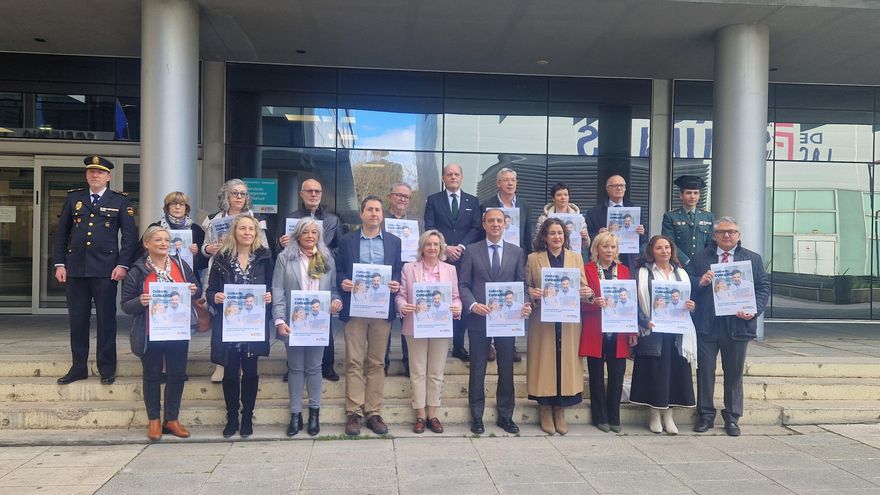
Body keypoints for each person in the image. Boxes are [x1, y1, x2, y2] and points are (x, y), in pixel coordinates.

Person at [53, 155, 138, 385]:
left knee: (106, 320)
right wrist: (59, 264)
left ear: (108, 176)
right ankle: (78, 366)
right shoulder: (74, 199)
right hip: (76, 270)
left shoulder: (120, 201)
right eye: (91, 171)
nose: (94, 175)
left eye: (99, 172)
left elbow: (130, 239)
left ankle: (107, 368)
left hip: (106, 270)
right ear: (86, 175)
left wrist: (122, 265)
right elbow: (61, 234)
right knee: (78, 319)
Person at [688, 216, 770, 437]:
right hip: (708, 324)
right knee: (704, 372)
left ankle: (732, 417)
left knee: (733, 373)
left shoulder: (752, 259)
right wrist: (700, 282)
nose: (727, 235)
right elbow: (687, 282)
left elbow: (763, 288)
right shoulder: (701, 257)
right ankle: (705, 415)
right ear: (714, 236)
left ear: (738, 235)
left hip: (738, 324)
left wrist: (754, 310)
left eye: (731, 232)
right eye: (722, 232)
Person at [121, 225, 200, 441]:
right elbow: (126, 305)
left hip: (177, 330)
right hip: (150, 331)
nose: (163, 243)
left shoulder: (180, 265)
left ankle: (172, 419)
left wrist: (193, 290)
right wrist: (140, 301)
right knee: (152, 376)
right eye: (158, 240)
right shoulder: (137, 270)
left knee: (176, 375)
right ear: (147, 244)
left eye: (166, 239)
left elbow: (196, 288)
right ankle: (154, 420)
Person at [459, 208, 530, 435]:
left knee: (506, 368)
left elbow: (523, 286)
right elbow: (463, 285)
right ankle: (477, 416)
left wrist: (526, 303)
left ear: (505, 224)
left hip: (507, 321)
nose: (496, 224)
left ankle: (506, 416)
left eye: (499, 220)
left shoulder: (517, 252)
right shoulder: (471, 251)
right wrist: (471, 305)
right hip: (480, 318)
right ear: (484, 224)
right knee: (478, 368)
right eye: (491, 221)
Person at [337, 196, 403, 436]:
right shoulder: (347, 241)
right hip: (355, 309)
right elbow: (340, 269)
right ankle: (354, 411)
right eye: (370, 210)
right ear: (362, 214)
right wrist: (342, 282)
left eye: (378, 210)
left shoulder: (395, 242)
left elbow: (397, 270)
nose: (374, 214)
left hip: (381, 310)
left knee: (376, 362)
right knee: (354, 361)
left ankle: (373, 412)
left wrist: (395, 283)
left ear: (382, 215)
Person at [272, 218, 343, 437]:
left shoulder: (325, 258)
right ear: (298, 235)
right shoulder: (285, 258)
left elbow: (332, 289)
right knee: (295, 368)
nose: (310, 236)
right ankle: (295, 415)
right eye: (306, 232)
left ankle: (314, 413)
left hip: (318, 323)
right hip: (293, 323)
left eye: (314, 232)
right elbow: (278, 290)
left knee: (314, 367)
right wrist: (279, 320)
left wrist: (335, 302)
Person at [206, 215, 273, 439]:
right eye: (242, 228)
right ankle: (232, 416)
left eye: (251, 229)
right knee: (231, 373)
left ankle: (247, 416)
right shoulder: (221, 258)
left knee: (251, 372)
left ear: (256, 233)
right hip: (229, 326)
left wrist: (270, 296)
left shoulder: (264, 257)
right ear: (235, 232)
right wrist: (215, 296)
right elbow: (210, 289)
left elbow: (273, 286)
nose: (246, 232)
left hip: (253, 326)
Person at [526, 217, 591, 435]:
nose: (556, 237)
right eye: (552, 233)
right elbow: (527, 285)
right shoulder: (534, 259)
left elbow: (584, 286)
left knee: (566, 362)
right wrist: (531, 293)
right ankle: (545, 409)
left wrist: (588, 293)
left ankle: (560, 410)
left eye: (560, 233)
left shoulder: (575, 258)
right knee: (544, 362)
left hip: (568, 321)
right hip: (543, 321)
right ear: (544, 237)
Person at [278, 178, 347, 382]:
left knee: (323, 319)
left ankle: (327, 365)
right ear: (301, 194)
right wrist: (282, 242)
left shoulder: (333, 220)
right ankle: (293, 366)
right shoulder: (290, 219)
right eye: (309, 191)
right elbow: (279, 247)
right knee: (296, 318)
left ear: (321, 194)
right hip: (297, 272)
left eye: (317, 191)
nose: (313, 194)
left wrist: (322, 254)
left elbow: (339, 247)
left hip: (322, 271)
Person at [202, 179, 268, 384]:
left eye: (243, 194)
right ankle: (222, 364)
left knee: (246, 318)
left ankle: (241, 363)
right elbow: (204, 247)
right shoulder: (212, 219)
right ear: (226, 196)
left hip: (248, 273)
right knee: (222, 316)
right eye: (235, 193)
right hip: (222, 270)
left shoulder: (256, 219)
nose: (239, 197)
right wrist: (208, 249)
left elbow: (263, 247)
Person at [630, 235, 697, 435]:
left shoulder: (682, 274)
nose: (664, 251)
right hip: (652, 331)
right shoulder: (642, 273)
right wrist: (643, 320)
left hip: (676, 332)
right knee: (654, 372)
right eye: (659, 248)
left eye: (667, 247)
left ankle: (669, 415)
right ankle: (654, 414)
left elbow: (688, 301)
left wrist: (691, 306)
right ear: (651, 251)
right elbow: (634, 300)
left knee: (674, 372)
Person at [396, 229, 462, 434]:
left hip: (440, 327)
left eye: (436, 244)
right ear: (422, 247)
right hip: (415, 326)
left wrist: (457, 306)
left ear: (441, 248)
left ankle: (433, 414)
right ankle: (420, 416)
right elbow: (401, 294)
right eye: (428, 244)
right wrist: (402, 305)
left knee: (435, 372)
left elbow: (456, 297)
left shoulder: (450, 269)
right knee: (418, 372)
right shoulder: (409, 268)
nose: (432, 248)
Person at [424, 164, 482, 362]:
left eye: (457, 174)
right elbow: (429, 226)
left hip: (465, 258)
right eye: (449, 174)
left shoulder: (473, 201)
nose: (453, 177)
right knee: (440, 299)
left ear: (462, 177)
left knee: (461, 302)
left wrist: (461, 247)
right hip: (440, 258)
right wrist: (445, 247)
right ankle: (436, 340)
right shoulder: (433, 200)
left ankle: (458, 345)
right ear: (443, 178)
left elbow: (476, 228)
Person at [581, 231, 637, 433]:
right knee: (596, 375)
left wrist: (633, 330)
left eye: (613, 247)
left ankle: (614, 415)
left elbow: (631, 303)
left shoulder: (624, 271)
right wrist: (593, 302)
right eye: (605, 246)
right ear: (596, 249)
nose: (610, 250)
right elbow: (578, 302)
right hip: (595, 328)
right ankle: (600, 416)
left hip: (619, 331)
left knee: (617, 374)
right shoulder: (586, 270)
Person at [384, 182, 421, 377]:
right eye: (398, 195)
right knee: (386, 319)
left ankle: (409, 361)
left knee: (410, 318)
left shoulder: (417, 222)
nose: (402, 199)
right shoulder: (380, 221)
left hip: (411, 275)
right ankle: (384, 361)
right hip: (387, 277)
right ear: (390, 196)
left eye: (406, 196)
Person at [585, 175, 646, 268]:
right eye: (615, 185)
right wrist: (599, 235)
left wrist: (641, 233)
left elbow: (644, 240)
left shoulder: (635, 211)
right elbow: (587, 238)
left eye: (622, 186)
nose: (619, 188)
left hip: (629, 259)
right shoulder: (594, 212)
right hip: (604, 260)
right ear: (607, 189)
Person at [662, 175, 714, 266]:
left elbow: (711, 243)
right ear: (681, 195)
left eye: (696, 193)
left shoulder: (708, 216)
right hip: (678, 263)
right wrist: (685, 261)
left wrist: (703, 260)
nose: (692, 196)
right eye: (688, 193)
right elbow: (669, 242)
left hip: (702, 264)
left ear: (699, 196)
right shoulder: (670, 216)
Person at [535, 182, 590, 255]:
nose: (563, 197)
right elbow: (536, 243)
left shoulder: (579, 218)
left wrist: (585, 238)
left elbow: (586, 246)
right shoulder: (543, 219)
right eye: (559, 195)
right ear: (553, 198)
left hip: (572, 257)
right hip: (548, 256)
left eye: (565, 194)